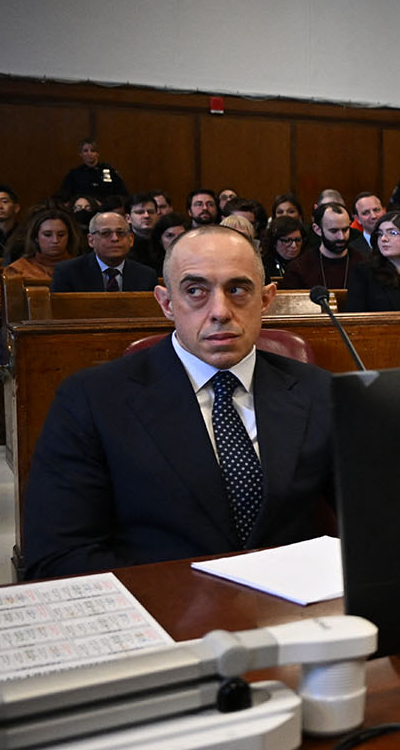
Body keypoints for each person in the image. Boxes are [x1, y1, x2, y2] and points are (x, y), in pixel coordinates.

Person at [21, 225, 335, 579]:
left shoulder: (319, 391)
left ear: (265, 299)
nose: (220, 311)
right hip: (164, 615)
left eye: (237, 289)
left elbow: (374, 519)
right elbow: (59, 555)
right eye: (196, 291)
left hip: (296, 611)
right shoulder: (91, 399)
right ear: (167, 303)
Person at [51, 210, 156, 292]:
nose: (115, 238)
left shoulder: (146, 275)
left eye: (121, 233)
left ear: (131, 239)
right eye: (106, 233)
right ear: (91, 240)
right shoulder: (68, 272)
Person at [281, 201, 361, 292]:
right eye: (334, 231)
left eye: (345, 230)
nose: (341, 237)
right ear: (317, 230)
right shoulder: (299, 269)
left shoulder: (364, 264)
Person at [2, 207, 79, 281]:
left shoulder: (83, 267)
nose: (55, 240)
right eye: (47, 235)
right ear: (36, 237)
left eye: (61, 235)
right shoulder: (17, 270)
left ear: (69, 237)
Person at [58, 139, 128, 202]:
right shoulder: (74, 174)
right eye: (85, 151)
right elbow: (64, 195)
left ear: (98, 153)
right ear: (80, 154)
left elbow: (122, 194)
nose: (89, 153)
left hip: (105, 208)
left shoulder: (109, 171)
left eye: (93, 151)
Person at [262, 216, 307, 282]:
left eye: (298, 240)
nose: (294, 245)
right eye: (287, 241)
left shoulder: (309, 263)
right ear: (274, 242)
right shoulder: (263, 266)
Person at [125, 192, 161, 269]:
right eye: (140, 212)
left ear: (157, 216)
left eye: (151, 212)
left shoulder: (162, 239)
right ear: (128, 218)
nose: (146, 216)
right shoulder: (124, 244)